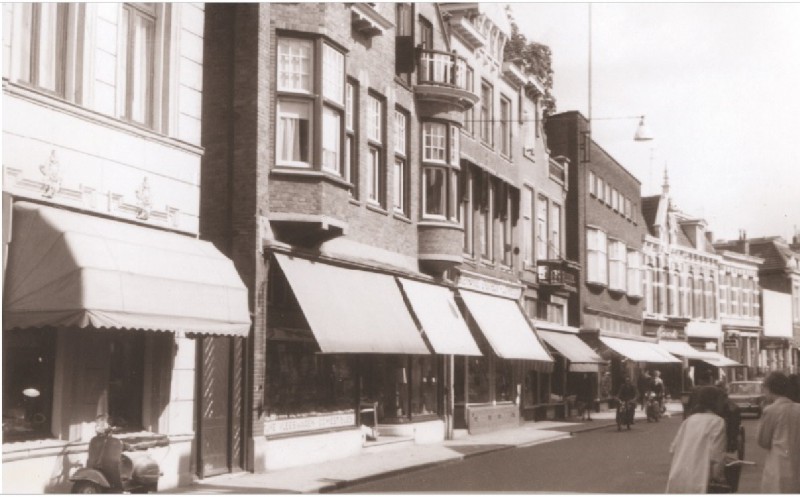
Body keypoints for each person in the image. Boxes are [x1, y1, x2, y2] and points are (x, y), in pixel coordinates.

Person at [666, 386, 728, 493]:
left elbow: (673, 449)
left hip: (678, 478)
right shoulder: (718, 422)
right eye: (722, 400)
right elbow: (716, 456)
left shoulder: (689, 420)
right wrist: (719, 478)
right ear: (714, 402)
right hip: (701, 481)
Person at [757, 372, 800, 493]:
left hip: (778, 466)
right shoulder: (798, 408)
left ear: (769, 389)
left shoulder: (770, 410)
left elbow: (763, 441)